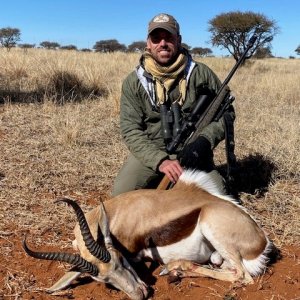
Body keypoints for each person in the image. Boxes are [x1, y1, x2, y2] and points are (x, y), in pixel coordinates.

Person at [112, 13, 235, 197]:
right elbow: (131, 129)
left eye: (168, 37)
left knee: (219, 198)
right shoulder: (133, 81)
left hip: (194, 153)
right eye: (156, 38)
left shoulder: (201, 73)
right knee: (120, 195)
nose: (162, 43)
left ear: (178, 40)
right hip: (152, 152)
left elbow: (227, 114)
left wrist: (204, 141)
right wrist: (160, 161)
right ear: (148, 43)